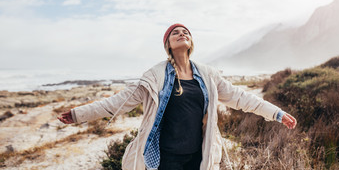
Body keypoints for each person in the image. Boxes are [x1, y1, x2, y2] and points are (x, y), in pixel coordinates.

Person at [58, 23, 297, 170]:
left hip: (198, 155)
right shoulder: (155, 77)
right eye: (175, 33)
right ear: (168, 44)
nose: (181, 33)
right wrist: (79, 114)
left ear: (190, 41)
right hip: (166, 158)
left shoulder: (207, 75)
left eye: (185, 32)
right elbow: (118, 102)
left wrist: (276, 113)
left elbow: (242, 98)